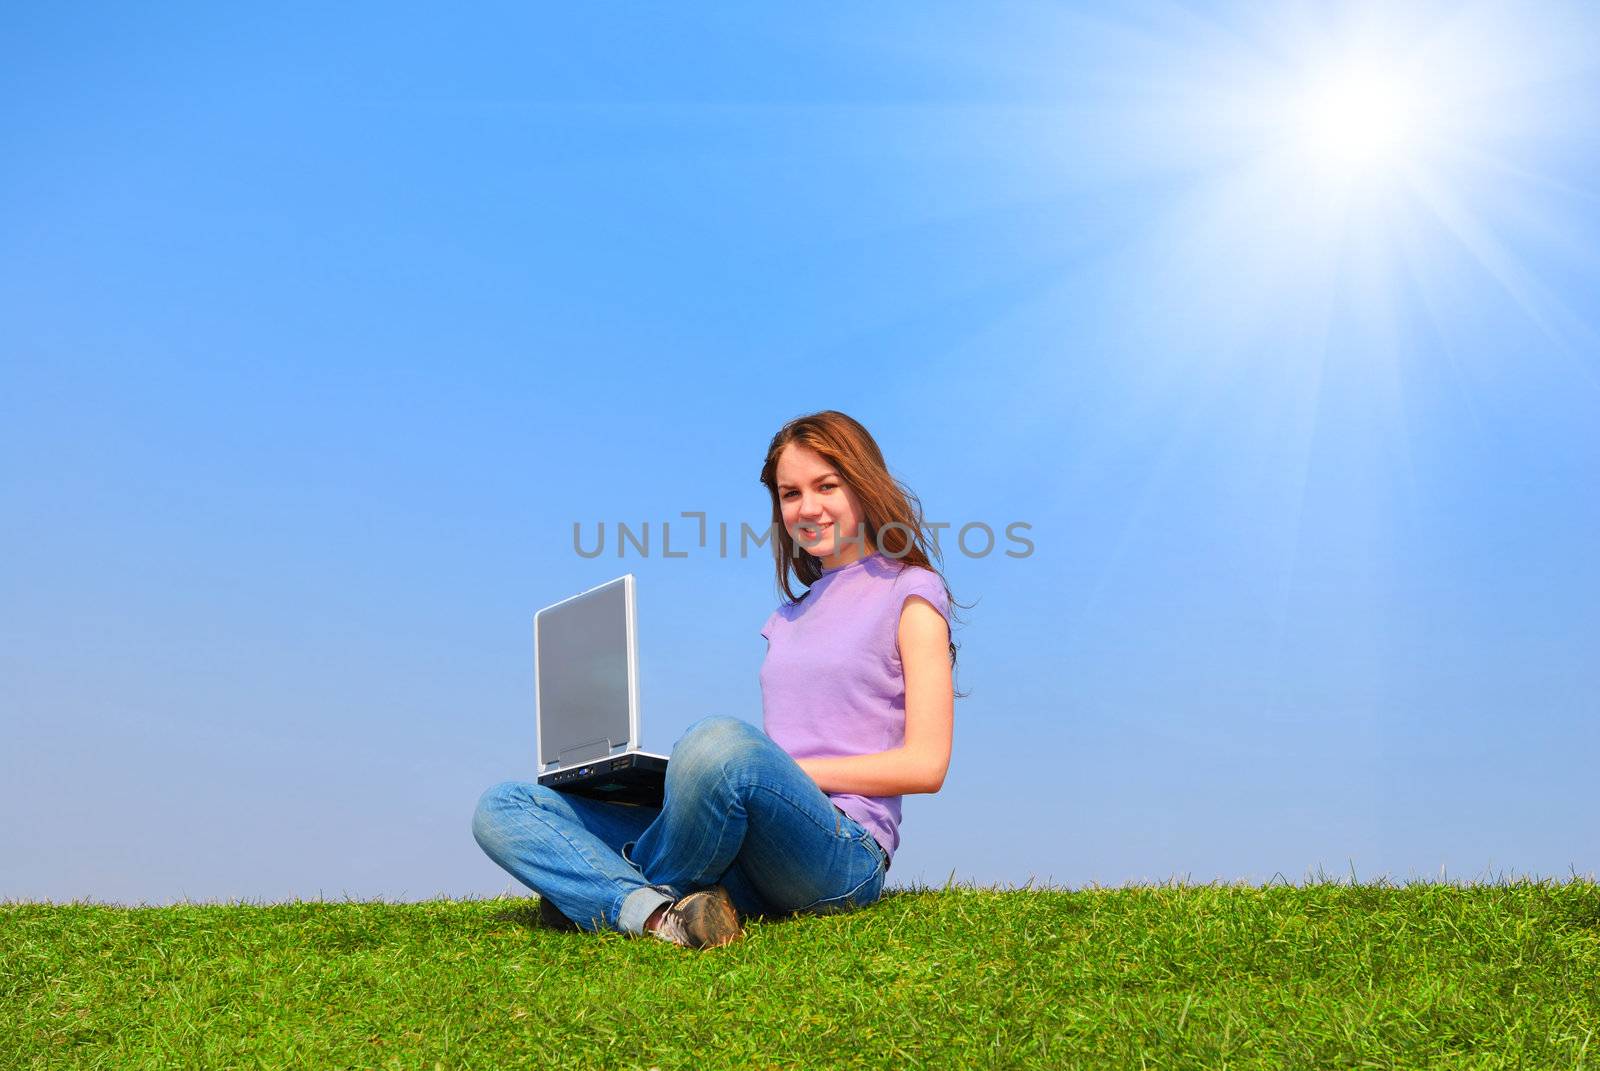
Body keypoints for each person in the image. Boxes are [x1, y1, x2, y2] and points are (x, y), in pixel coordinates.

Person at [472, 410, 962, 948]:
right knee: (505, 806)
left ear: (864, 485)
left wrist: (780, 773)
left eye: (827, 485)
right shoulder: (787, 619)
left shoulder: (911, 593)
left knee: (716, 740)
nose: (809, 507)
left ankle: (600, 891)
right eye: (790, 493)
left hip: (838, 849)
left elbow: (926, 765)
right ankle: (661, 916)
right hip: (755, 846)